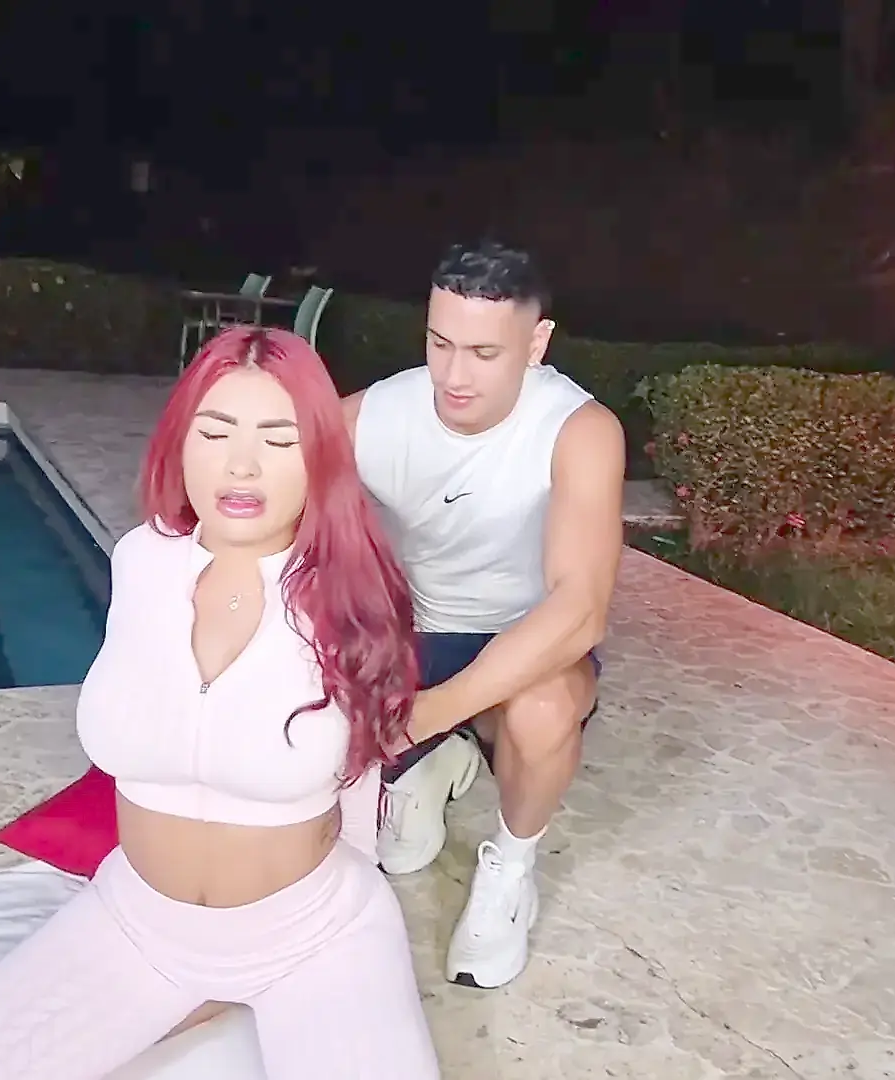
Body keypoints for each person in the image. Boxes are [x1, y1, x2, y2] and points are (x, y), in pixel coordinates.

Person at [0, 328, 440, 1079]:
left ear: (319, 458)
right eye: (215, 433)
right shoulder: (142, 562)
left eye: (278, 440)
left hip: (314, 933)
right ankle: (196, 996)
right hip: (139, 925)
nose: (241, 465)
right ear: (180, 443)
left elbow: (361, 773)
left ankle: (226, 997)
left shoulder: (347, 593)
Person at [344, 240, 626, 990]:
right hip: (414, 635)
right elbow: (273, 480)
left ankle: (510, 869)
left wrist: (427, 714)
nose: (454, 376)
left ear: (536, 343)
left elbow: (580, 611)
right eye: (440, 344)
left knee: (542, 710)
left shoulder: (579, 429)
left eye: (483, 352)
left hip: (522, 644)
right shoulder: (381, 411)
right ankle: (437, 759)